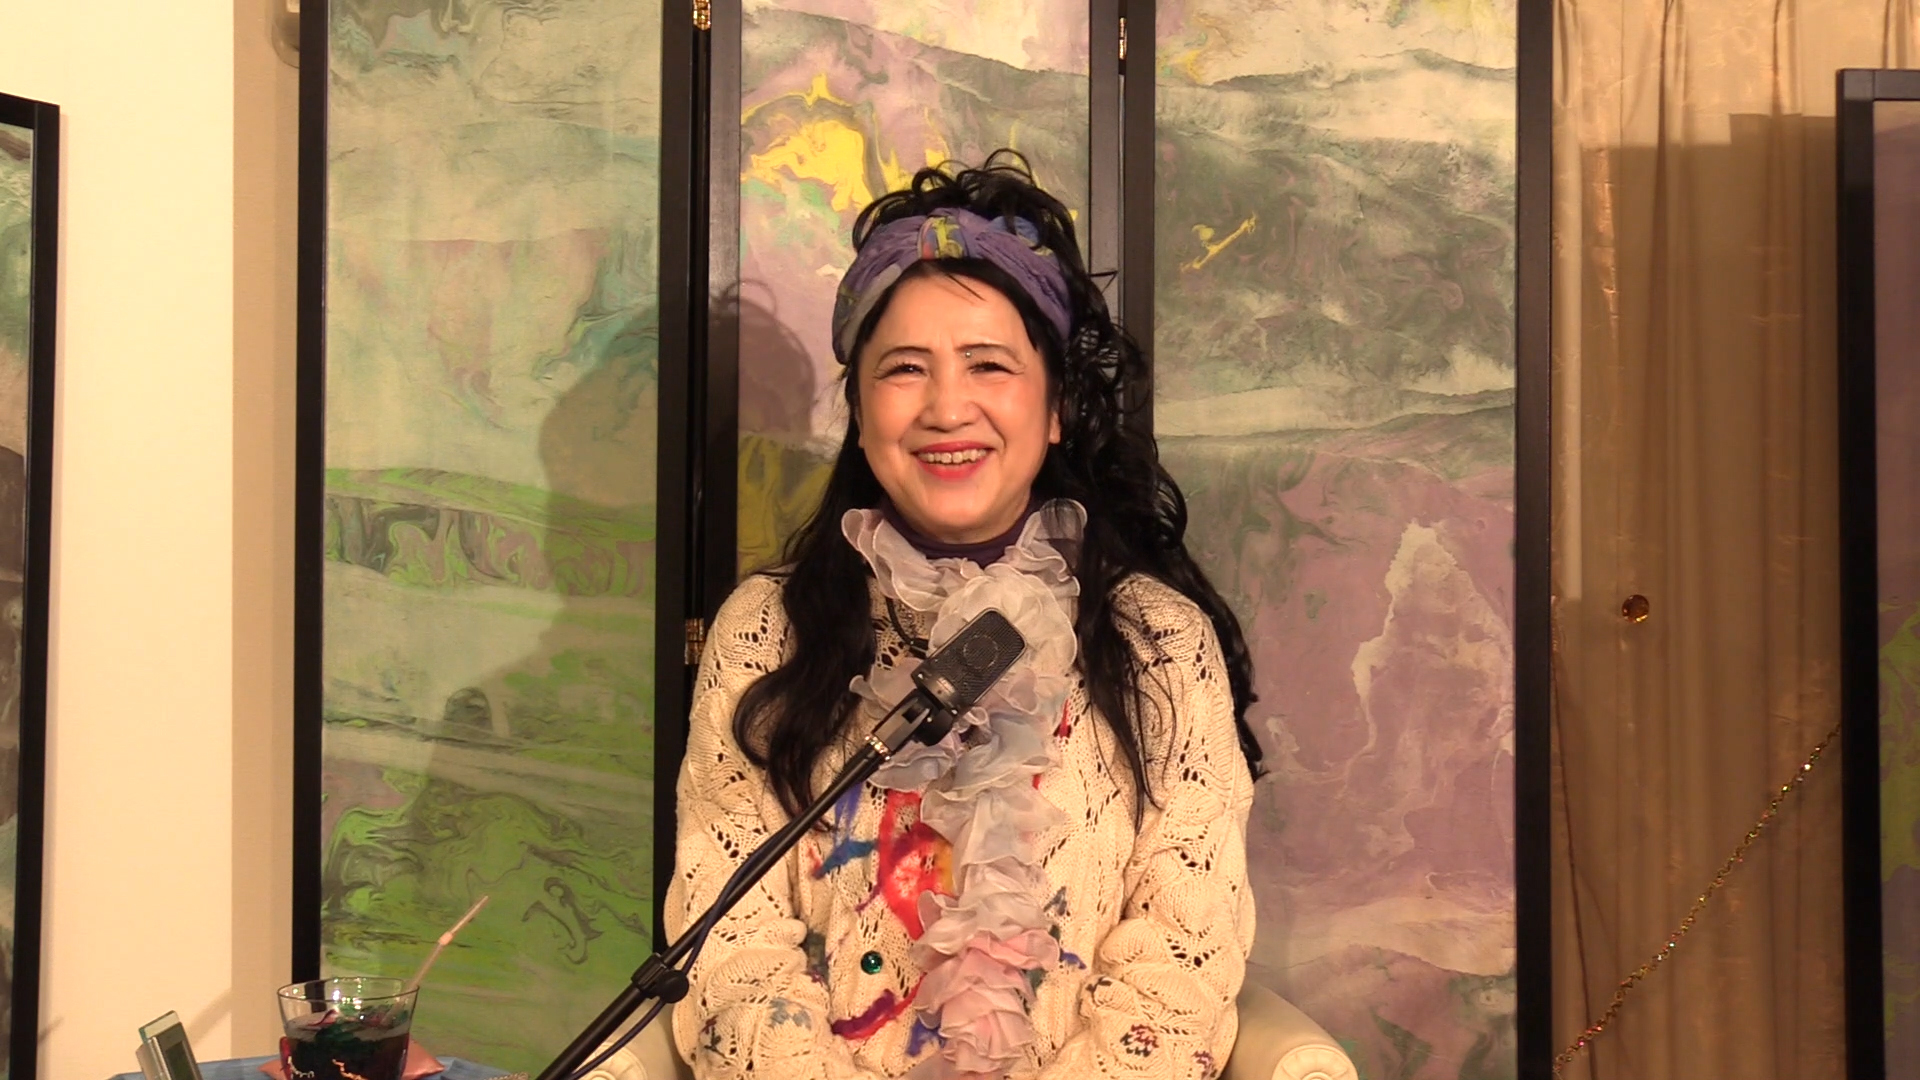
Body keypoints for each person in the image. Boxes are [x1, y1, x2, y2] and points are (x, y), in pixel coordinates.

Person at [665, 153, 1265, 1080]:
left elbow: (1180, 964)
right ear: (859, 411)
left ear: (1056, 407)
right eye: (905, 369)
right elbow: (733, 950)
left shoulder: (1157, 641)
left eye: (989, 365)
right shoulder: (766, 632)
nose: (949, 408)